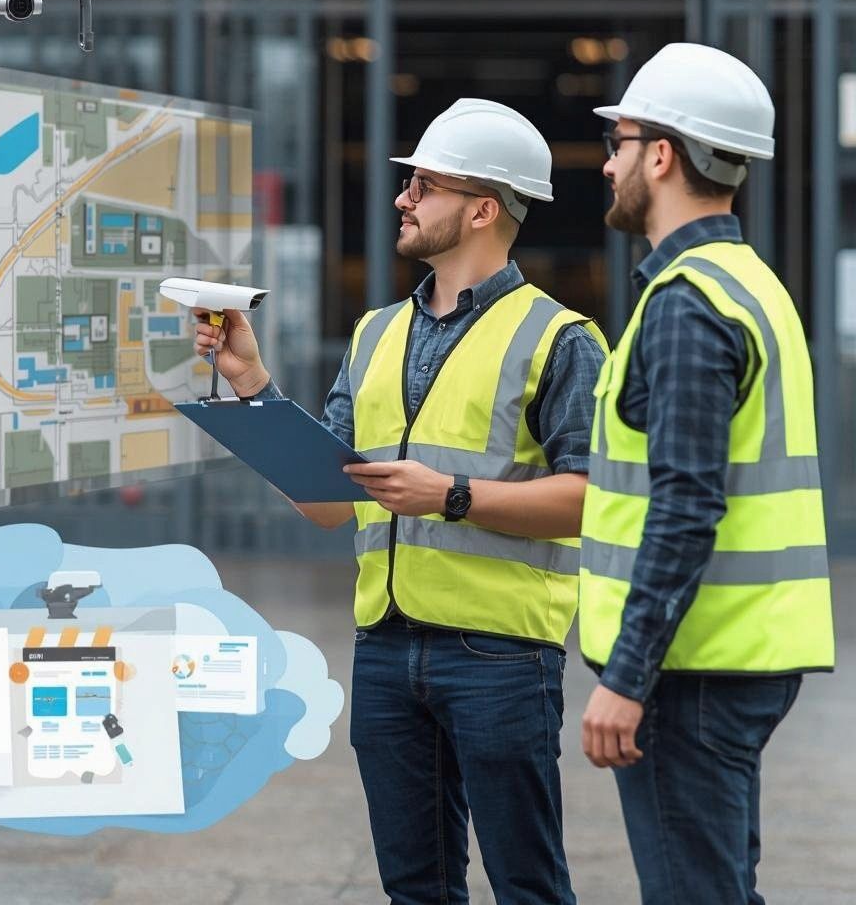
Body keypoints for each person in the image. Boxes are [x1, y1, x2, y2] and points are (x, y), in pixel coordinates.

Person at [193, 99, 607, 905]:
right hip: (385, 650)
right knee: (414, 888)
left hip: (501, 656)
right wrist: (250, 383)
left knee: (528, 886)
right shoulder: (375, 333)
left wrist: (450, 496)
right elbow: (328, 503)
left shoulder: (563, 341)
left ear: (483, 208)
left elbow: (592, 500)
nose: (402, 198)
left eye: (423, 184)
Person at [579, 43, 835, 905]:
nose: (607, 161)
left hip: (691, 672)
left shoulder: (689, 305)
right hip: (735, 657)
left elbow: (688, 503)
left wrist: (627, 678)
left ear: (661, 155)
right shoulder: (750, 284)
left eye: (619, 142)